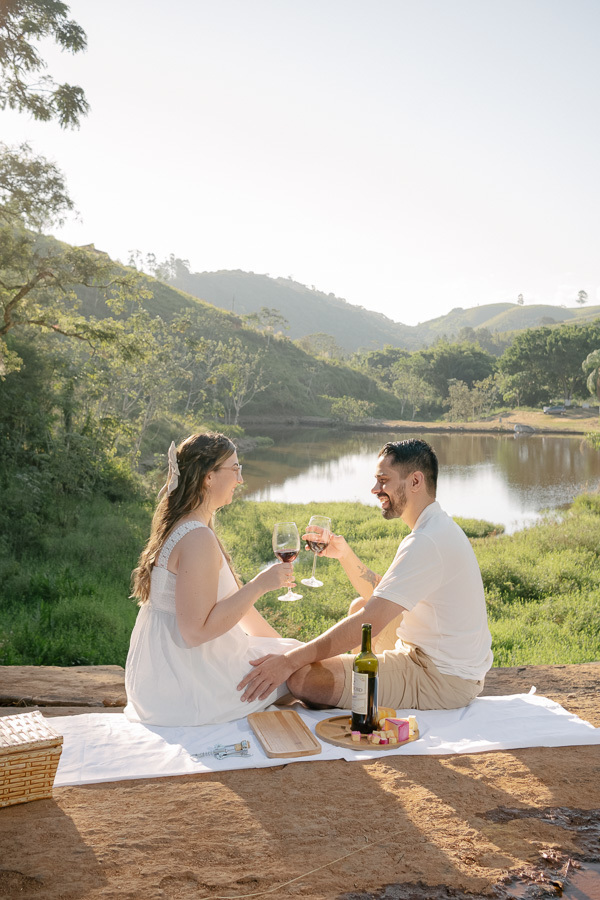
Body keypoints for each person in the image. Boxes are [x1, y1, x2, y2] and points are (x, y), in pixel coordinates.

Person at [238, 438, 492, 711]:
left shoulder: (427, 540)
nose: (375, 489)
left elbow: (370, 619)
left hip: (441, 678)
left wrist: (289, 661)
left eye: (384, 480)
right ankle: (359, 686)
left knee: (304, 678)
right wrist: (345, 555)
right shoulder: (436, 527)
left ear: (415, 482)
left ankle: (356, 695)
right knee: (359, 606)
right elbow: (381, 598)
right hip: (448, 663)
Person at [124, 432, 302, 726]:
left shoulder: (190, 525)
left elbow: (236, 609)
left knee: (295, 653)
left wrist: (283, 646)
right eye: (235, 469)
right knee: (302, 672)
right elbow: (194, 633)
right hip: (188, 686)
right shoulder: (196, 538)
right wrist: (260, 585)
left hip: (165, 679)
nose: (241, 479)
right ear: (209, 477)